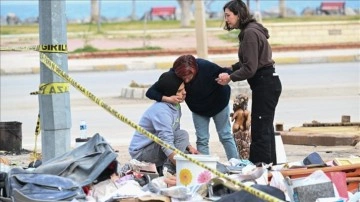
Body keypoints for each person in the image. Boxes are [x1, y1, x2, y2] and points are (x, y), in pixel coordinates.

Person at [217, 0, 282, 165]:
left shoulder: (250, 34)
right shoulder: (251, 30)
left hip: (265, 83)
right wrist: (231, 68)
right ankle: (270, 168)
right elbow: (250, 61)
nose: (226, 19)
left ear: (239, 14)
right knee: (265, 129)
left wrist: (230, 78)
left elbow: (250, 68)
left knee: (260, 131)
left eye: (228, 15)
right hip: (266, 83)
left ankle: (259, 169)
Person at [146, 55, 239, 160]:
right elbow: (151, 92)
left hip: (219, 103)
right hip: (198, 109)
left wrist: (225, 75)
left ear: (195, 69)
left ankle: (235, 163)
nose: (186, 80)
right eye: (183, 77)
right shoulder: (174, 74)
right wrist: (168, 99)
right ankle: (204, 167)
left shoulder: (205, 66)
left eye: (189, 75)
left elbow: (226, 72)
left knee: (225, 135)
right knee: (202, 139)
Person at [128, 71, 198, 175]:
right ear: (170, 93)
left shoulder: (175, 106)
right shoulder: (161, 111)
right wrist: (180, 167)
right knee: (182, 137)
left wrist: (189, 147)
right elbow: (167, 144)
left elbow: (175, 131)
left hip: (155, 147)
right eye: (179, 91)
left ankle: (165, 167)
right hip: (141, 153)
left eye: (184, 88)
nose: (184, 93)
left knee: (187, 154)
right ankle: (168, 170)